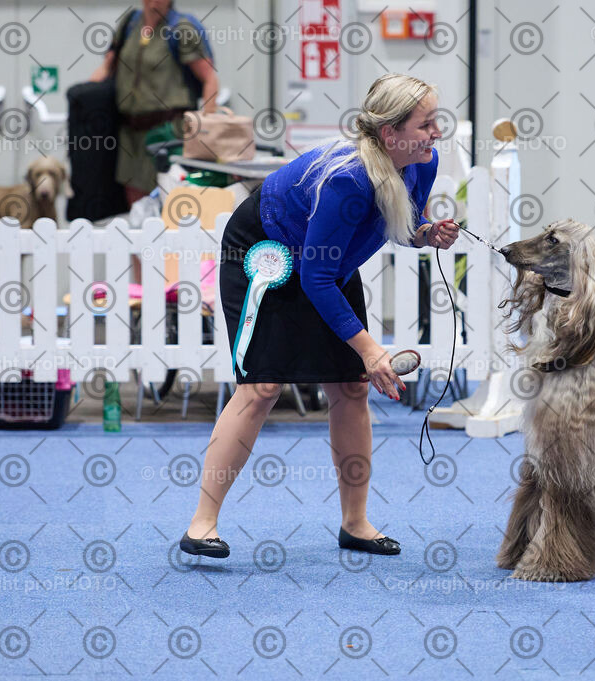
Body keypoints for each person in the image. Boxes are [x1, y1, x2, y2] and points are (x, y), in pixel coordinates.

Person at [180, 73, 460, 559]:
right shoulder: (347, 180)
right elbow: (315, 279)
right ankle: (201, 524)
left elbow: (400, 220)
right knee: (261, 388)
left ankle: (356, 523)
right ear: (390, 134)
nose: (437, 132)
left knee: (350, 388)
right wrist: (371, 351)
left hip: (327, 261)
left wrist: (426, 234)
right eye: (426, 124)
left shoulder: (423, 161)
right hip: (268, 252)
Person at [90, 0, 219, 205]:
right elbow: (107, 67)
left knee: (170, 201)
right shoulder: (130, 24)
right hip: (130, 133)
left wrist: (206, 128)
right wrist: (83, 98)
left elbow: (209, 78)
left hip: (169, 132)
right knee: (135, 206)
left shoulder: (181, 28)